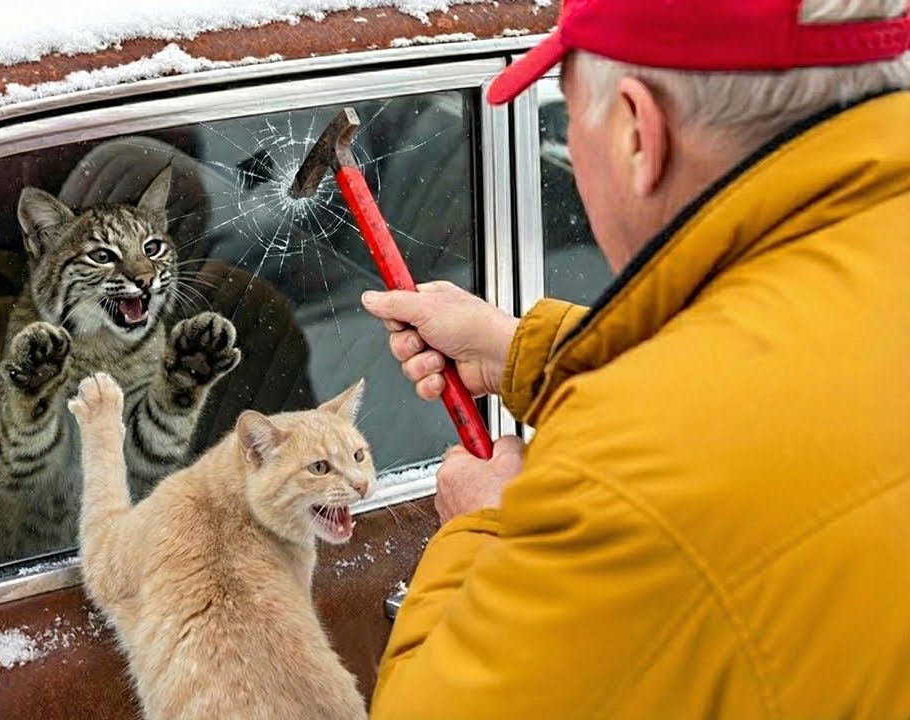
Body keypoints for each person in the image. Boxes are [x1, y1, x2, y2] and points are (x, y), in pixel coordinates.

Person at [363, 0, 910, 717]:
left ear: (636, 133)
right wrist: (527, 350)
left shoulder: (627, 484)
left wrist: (487, 531)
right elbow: (787, 372)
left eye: (567, 114)